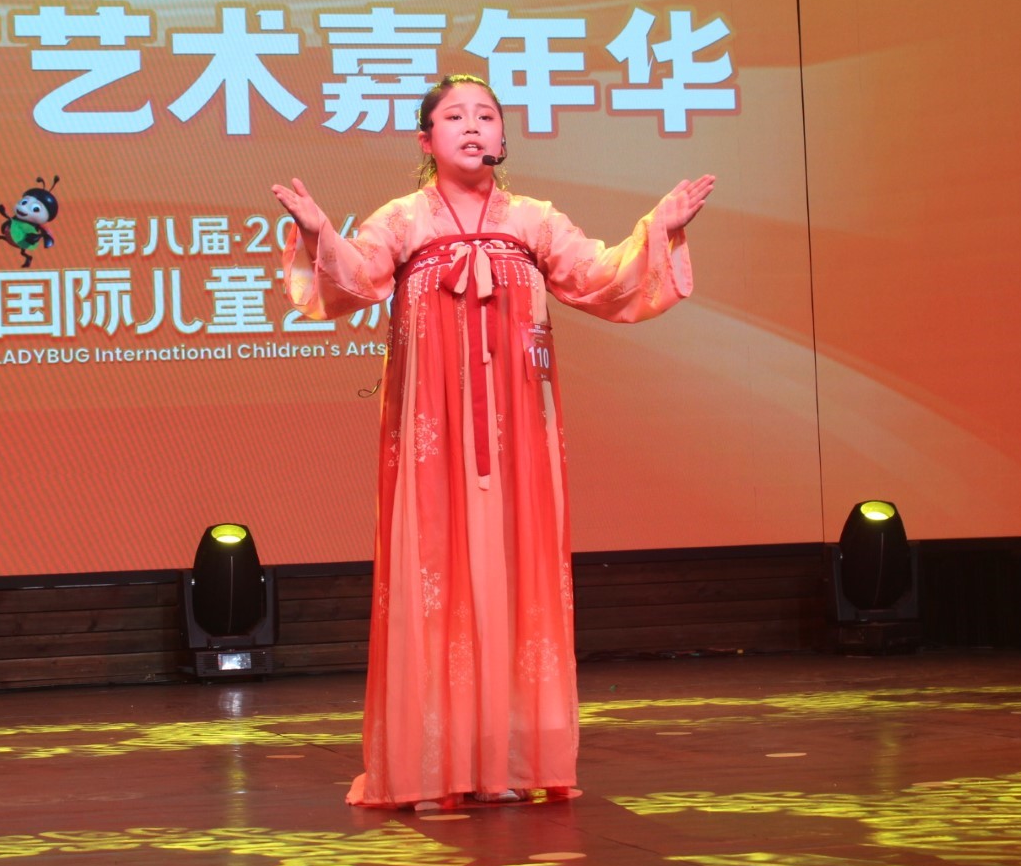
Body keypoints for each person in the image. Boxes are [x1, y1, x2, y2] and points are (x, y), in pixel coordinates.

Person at [273, 74, 714, 809]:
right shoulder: (402, 219)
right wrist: (321, 233)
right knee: (436, 573)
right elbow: (354, 280)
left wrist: (657, 229)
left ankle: (508, 760)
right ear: (426, 140)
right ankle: (429, 766)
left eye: (486, 116)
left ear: (503, 137)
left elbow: (601, 278)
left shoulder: (535, 220)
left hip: (518, 433)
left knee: (517, 573)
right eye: (455, 116)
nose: (473, 126)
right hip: (433, 435)